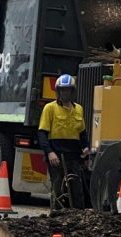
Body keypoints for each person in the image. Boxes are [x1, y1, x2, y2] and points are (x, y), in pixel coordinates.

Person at [38, 74, 90, 212]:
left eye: (67, 90)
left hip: (74, 156)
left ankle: (77, 216)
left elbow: (83, 133)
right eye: (62, 90)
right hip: (57, 156)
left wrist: (86, 147)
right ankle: (56, 215)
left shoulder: (78, 109)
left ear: (72, 92)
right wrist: (50, 153)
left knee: (77, 189)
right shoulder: (50, 108)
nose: (65, 93)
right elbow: (42, 133)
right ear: (58, 91)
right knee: (58, 188)